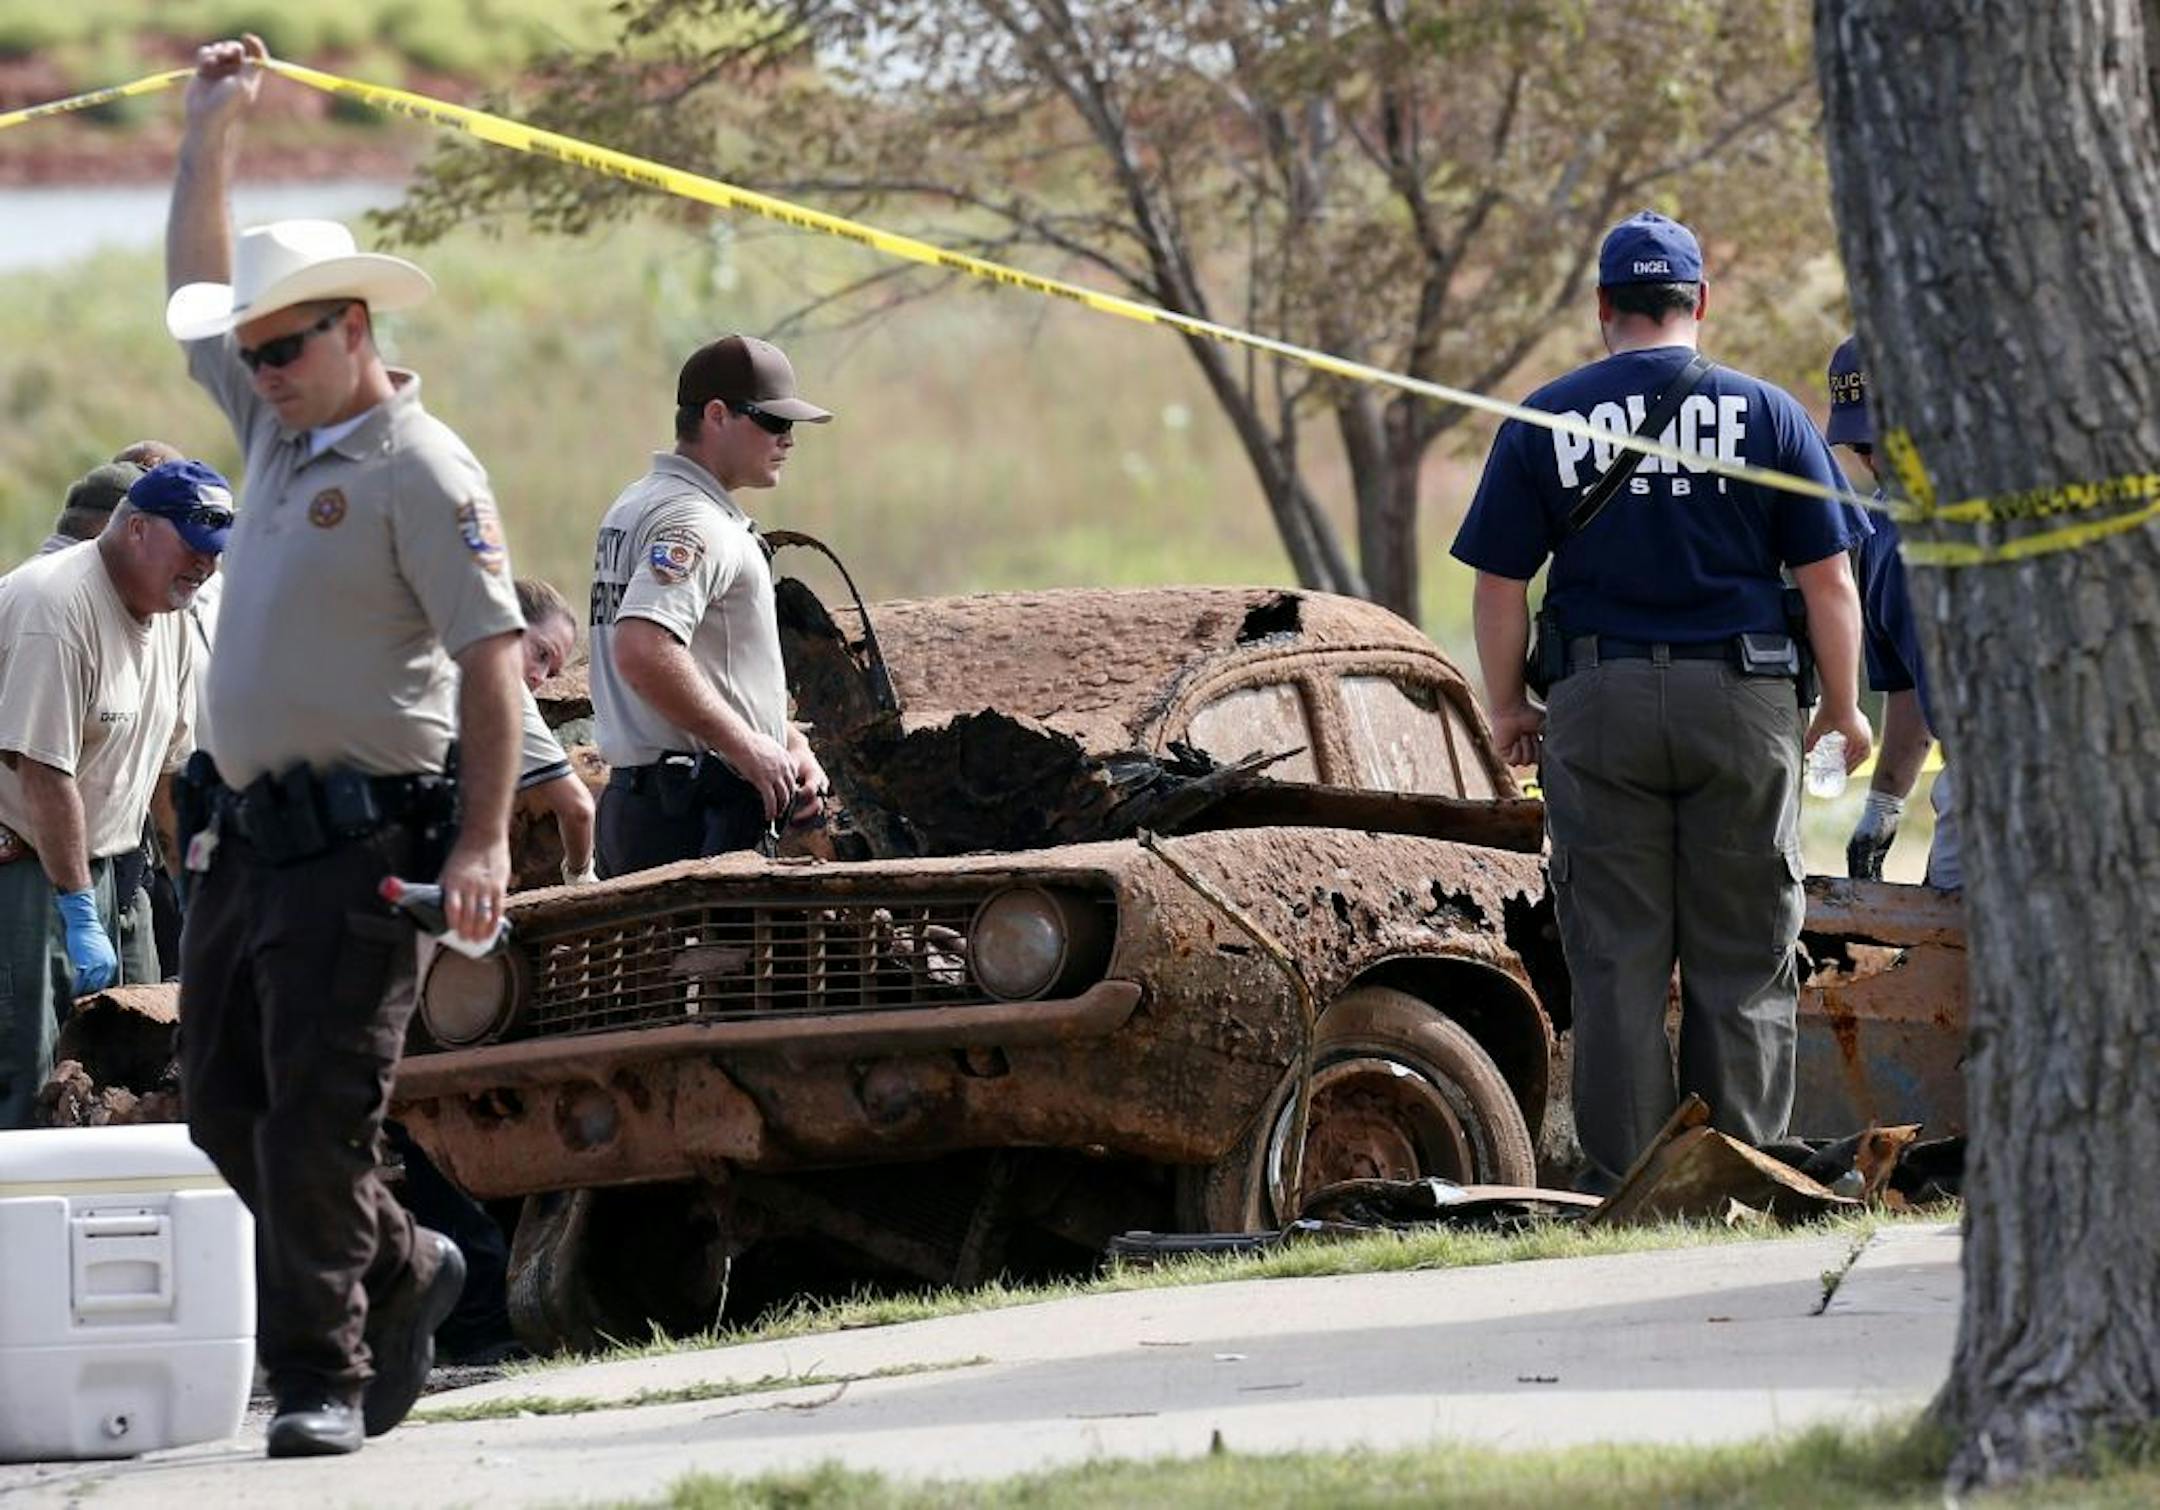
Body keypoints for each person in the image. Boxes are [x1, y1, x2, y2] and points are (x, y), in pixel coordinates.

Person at [166, 34, 526, 1459]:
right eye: (250, 352)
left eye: (284, 347)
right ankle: (407, 1263)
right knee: (220, 1104)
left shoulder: (421, 470)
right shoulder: (272, 436)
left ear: (355, 327)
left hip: (363, 842)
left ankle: (320, 1371)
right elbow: (194, 282)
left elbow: (498, 661)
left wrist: (489, 838)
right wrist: (210, 132)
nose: (259, 370)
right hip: (245, 838)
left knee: (320, 1112)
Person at [1452, 209, 1873, 1193]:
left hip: (1598, 706)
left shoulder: (1546, 416)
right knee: (1743, 950)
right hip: (1745, 701)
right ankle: (1737, 1179)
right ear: (1701, 303)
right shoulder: (1768, 415)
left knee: (1617, 962)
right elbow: (1830, 582)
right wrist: (1844, 709)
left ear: (1604, 307)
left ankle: (1638, 1190)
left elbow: (1499, 583)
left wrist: (1508, 705)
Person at [0, 461, 226, 1128]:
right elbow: (44, 772)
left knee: (141, 1057)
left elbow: (169, 769)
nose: (205, 566)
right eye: (192, 546)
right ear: (135, 530)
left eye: (214, 552)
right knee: (32, 1070)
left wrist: (190, 884)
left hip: (119, 866)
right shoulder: (55, 606)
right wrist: (76, 907)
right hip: (30, 871)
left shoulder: (175, 612)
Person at [589, 334, 833, 876]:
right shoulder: (693, 521)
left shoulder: (638, 502)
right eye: (773, 421)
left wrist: (784, 740)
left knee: (656, 962)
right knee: (716, 963)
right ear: (717, 415)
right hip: (694, 814)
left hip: (656, 803)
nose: (788, 439)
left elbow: (706, 661)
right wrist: (746, 744)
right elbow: (642, 649)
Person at [1825, 336, 1959, 890]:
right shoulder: (1878, 531)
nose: (1877, 459)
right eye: (1860, 445)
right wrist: (1882, 807)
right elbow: (1908, 690)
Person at [512, 577, 596, 884]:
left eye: (551, 672)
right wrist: (579, 876)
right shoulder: (501, 683)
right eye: (541, 653)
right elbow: (577, 809)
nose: (539, 676)